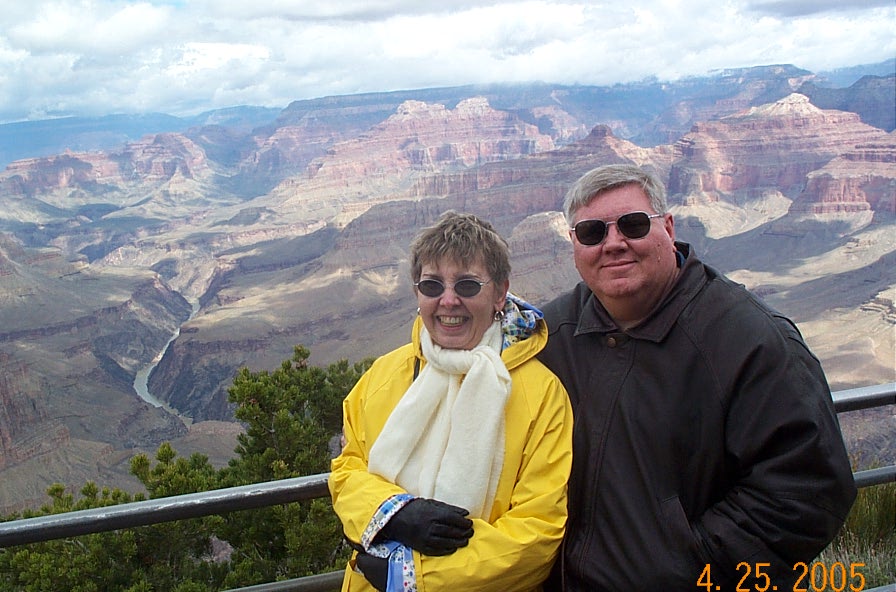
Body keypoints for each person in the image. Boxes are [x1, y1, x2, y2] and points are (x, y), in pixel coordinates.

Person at [537, 164, 857, 591]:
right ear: (575, 244)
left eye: (633, 225)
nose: (613, 243)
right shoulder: (550, 334)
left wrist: (689, 570)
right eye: (593, 232)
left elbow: (808, 488)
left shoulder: (750, 340)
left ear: (668, 227)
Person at [329, 211, 574, 592]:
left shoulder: (541, 395)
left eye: (467, 285)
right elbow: (347, 472)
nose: (448, 301)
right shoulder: (383, 376)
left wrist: (410, 578)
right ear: (416, 293)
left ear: (499, 292)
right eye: (431, 285)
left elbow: (537, 533)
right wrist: (395, 515)